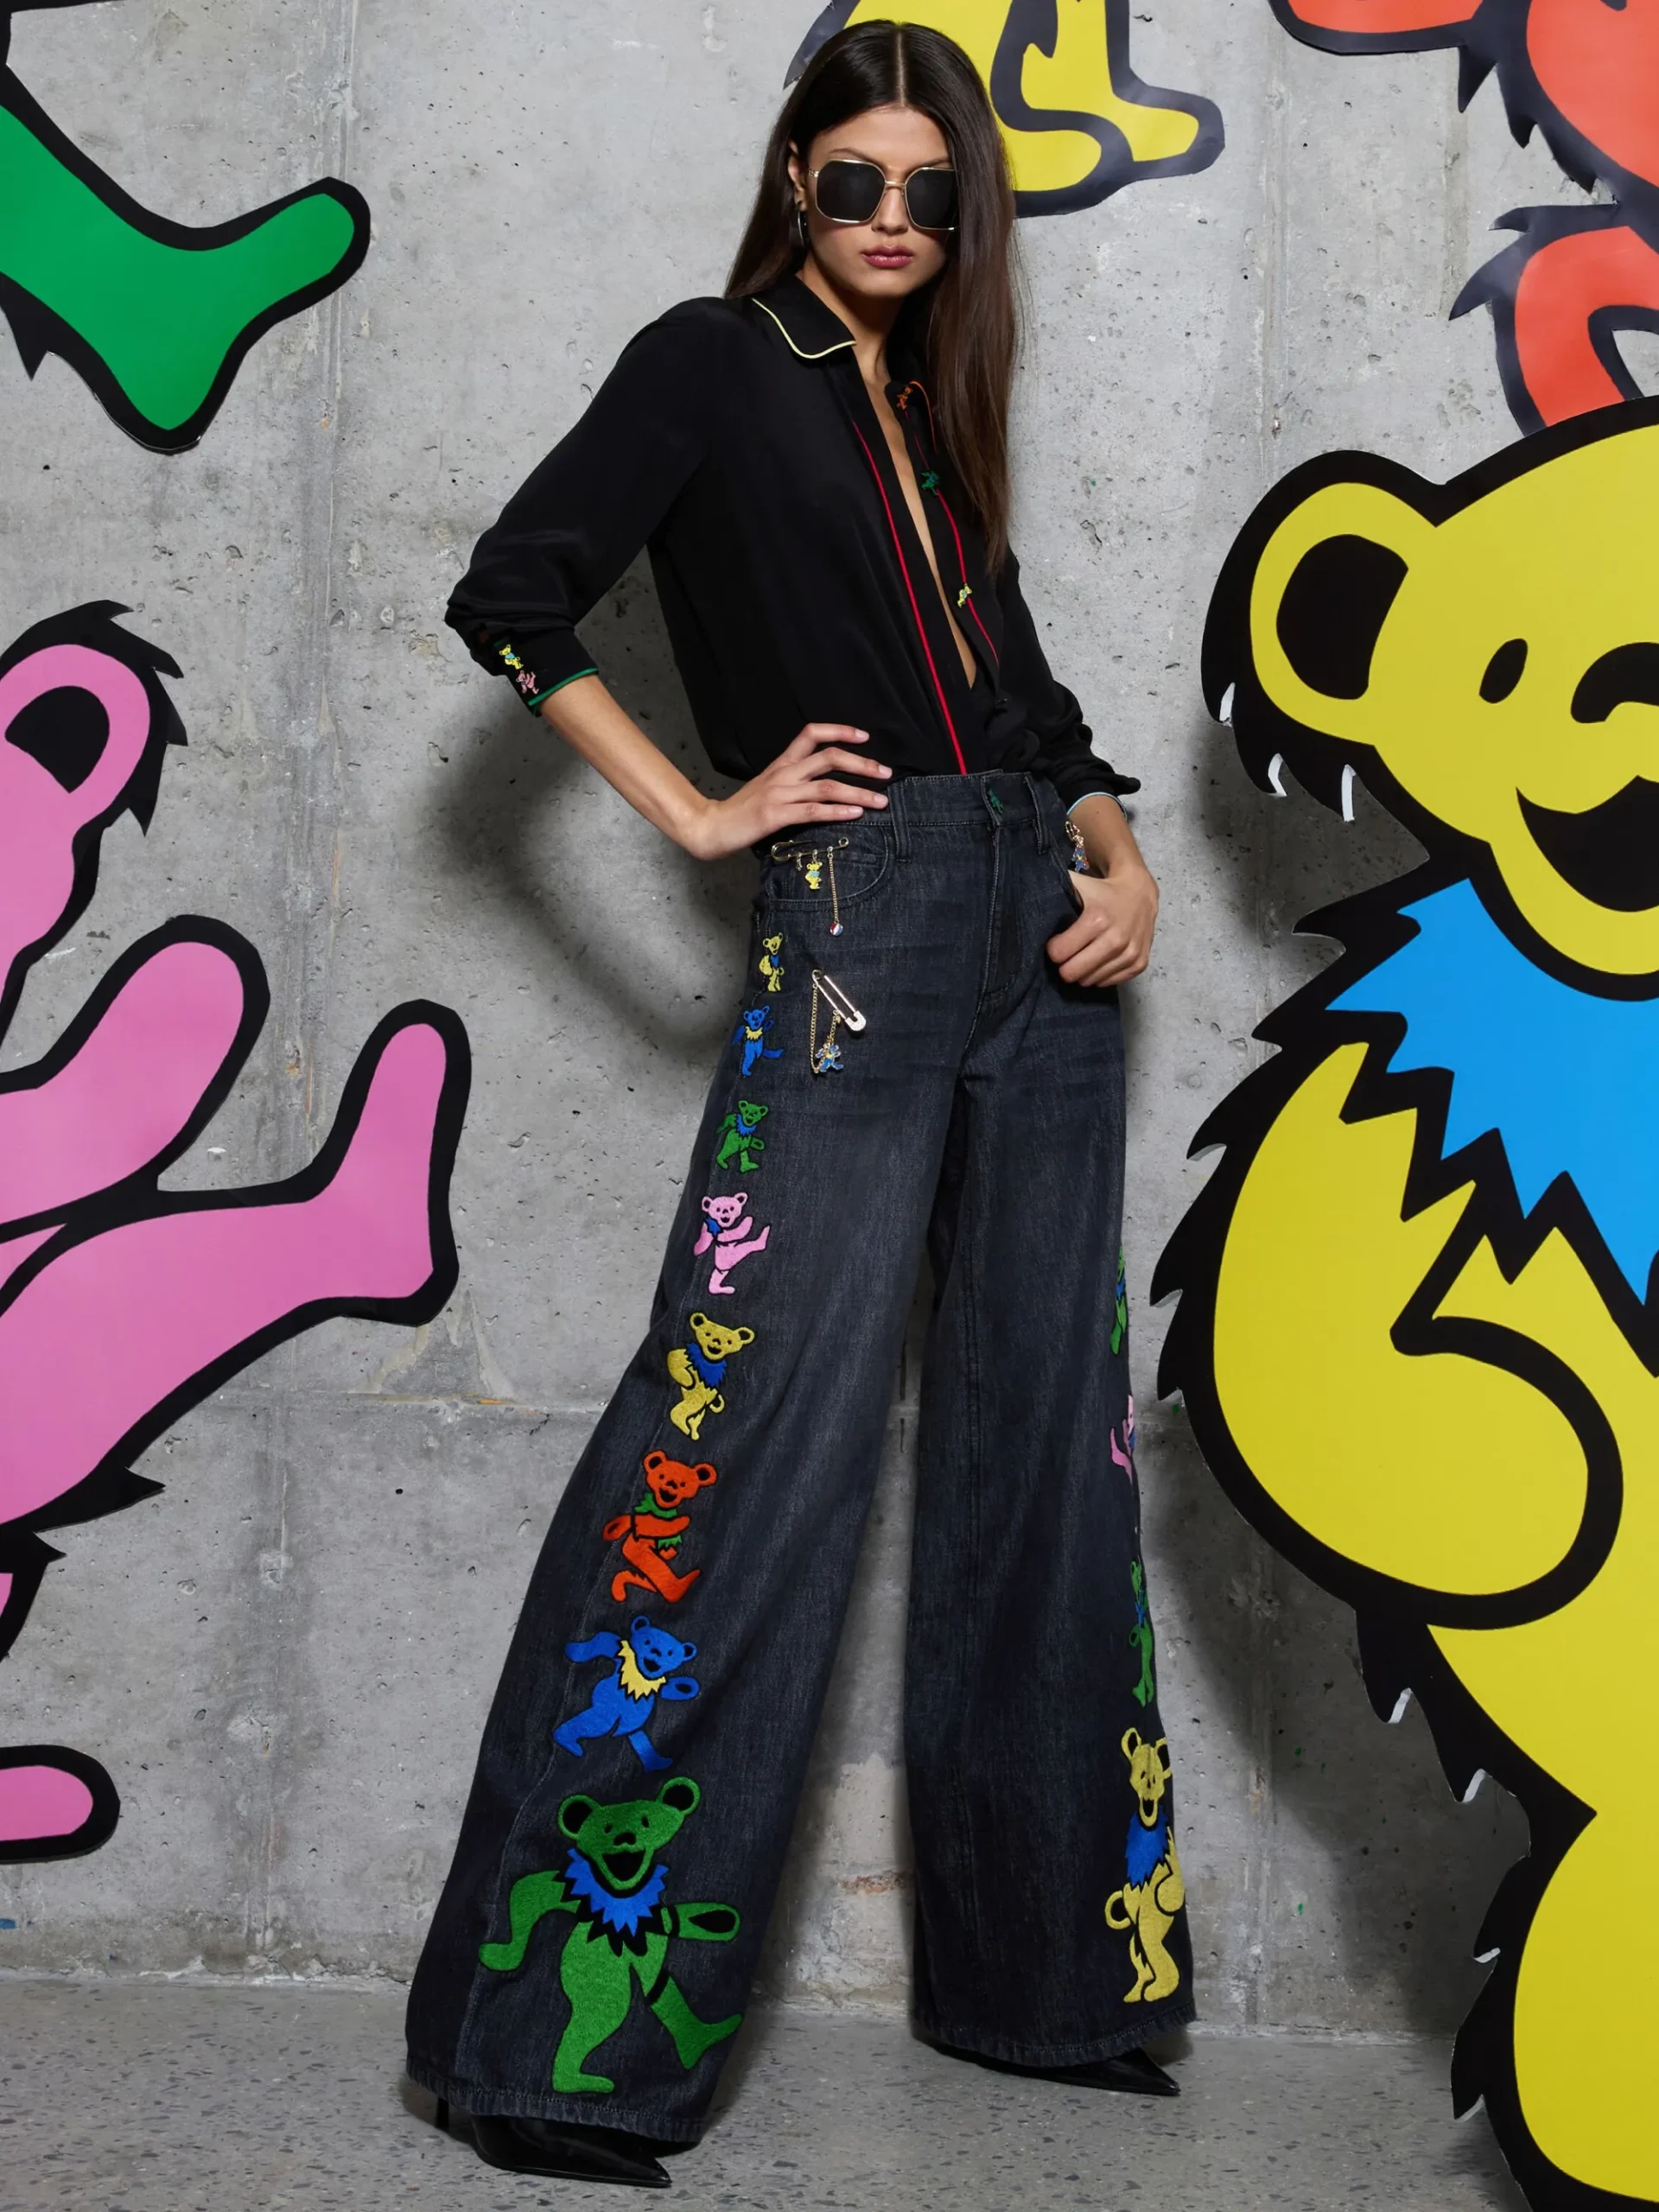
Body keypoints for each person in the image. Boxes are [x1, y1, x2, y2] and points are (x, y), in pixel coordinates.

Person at [405, 19, 1192, 2189]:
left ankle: (1053, 1984)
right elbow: (511, 593)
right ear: (794, 179)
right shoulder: (711, 362)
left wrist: (1118, 848)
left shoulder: (926, 410)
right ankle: (551, 2047)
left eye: (932, 194)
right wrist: (700, 807)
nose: (892, 222)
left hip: (1043, 930)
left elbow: (1022, 696)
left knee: (1049, 1444)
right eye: (856, 181)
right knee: (740, 1428)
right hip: (864, 915)